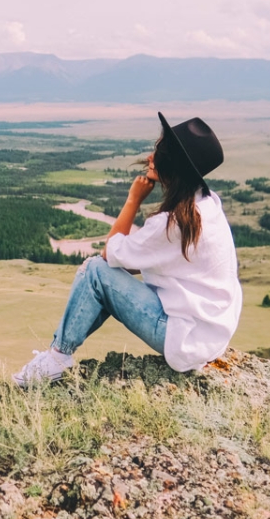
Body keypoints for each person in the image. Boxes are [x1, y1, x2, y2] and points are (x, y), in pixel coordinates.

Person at [13, 113, 242, 386]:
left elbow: (109, 254)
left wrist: (133, 199)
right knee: (104, 275)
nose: (149, 156)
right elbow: (142, 261)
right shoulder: (207, 206)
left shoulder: (173, 224)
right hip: (211, 336)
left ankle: (57, 357)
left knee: (94, 271)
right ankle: (58, 355)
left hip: (182, 340)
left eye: (158, 150)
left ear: (172, 163)